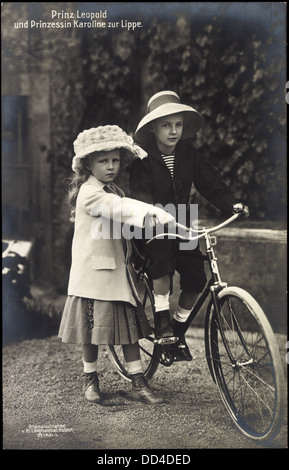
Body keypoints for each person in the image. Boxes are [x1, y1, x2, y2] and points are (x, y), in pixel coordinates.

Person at [58, 125, 175, 405]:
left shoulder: (114, 189)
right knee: (91, 331)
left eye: (115, 160)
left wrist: (153, 228)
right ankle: (90, 378)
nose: (111, 166)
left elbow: (125, 222)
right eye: (103, 161)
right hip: (94, 274)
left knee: (127, 330)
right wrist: (156, 212)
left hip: (117, 272)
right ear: (88, 164)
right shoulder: (90, 193)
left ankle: (137, 381)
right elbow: (122, 209)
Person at [129, 90, 249, 361]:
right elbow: (140, 195)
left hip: (181, 221)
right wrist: (153, 214)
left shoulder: (188, 152)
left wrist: (233, 204)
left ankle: (178, 328)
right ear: (153, 128)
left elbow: (210, 183)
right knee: (161, 258)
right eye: (166, 125)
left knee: (196, 275)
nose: (173, 131)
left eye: (178, 125)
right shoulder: (142, 158)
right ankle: (161, 321)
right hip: (150, 222)